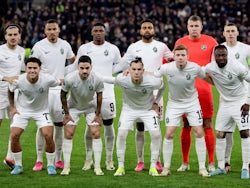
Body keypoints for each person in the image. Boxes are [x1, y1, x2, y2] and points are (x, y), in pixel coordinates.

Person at [68, 22, 122, 171]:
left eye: (101, 31)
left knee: (109, 123)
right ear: (92, 33)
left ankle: (109, 160)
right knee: (91, 125)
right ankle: (88, 159)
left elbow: (118, 66)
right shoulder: (85, 48)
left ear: (105, 33)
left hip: (108, 92)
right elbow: (75, 67)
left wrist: (109, 75)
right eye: (96, 31)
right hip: (88, 92)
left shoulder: (113, 49)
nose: (98, 33)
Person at [121, 18, 173, 171]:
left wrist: (161, 72)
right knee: (140, 127)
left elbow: (173, 59)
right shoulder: (133, 47)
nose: (147, 30)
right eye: (144, 27)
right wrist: (125, 70)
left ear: (154, 30)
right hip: (138, 92)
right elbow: (125, 63)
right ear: (140, 30)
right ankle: (140, 160)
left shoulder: (161, 46)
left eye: (150, 27)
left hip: (156, 93)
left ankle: (156, 160)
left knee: (155, 129)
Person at [102, 57, 165, 176]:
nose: (136, 72)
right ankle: (120, 167)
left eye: (139, 69)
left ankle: (153, 166)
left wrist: (156, 102)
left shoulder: (152, 81)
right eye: (134, 69)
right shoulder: (122, 79)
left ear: (143, 70)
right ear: (129, 70)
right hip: (129, 110)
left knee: (156, 134)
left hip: (147, 109)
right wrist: (91, 74)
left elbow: (162, 86)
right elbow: (108, 79)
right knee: (121, 134)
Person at [155, 45, 210, 177]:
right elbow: (153, 75)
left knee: (198, 132)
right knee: (169, 134)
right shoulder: (167, 68)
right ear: (173, 56)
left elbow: (207, 77)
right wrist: (132, 72)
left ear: (187, 56)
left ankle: (202, 168)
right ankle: (166, 168)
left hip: (192, 103)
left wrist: (222, 85)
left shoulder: (195, 67)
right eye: (178, 55)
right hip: (174, 104)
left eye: (183, 55)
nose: (180, 57)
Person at [30, 19, 75, 171]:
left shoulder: (65, 45)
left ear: (58, 30)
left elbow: (73, 62)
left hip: (60, 91)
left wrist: (65, 74)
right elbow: (33, 65)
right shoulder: (39, 46)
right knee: (43, 126)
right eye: (49, 30)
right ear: (45, 31)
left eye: (54, 29)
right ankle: (39, 160)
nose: (52, 32)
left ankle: (59, 158)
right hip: (44, 90)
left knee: (59, 125)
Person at [175, 15, 218, 172]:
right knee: (186, 125)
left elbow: (217, 63)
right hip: (186, 91)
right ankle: (185, 163)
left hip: (205, 90)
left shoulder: (211, 42)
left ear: (201, 26)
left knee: (207, 124)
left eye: (196, 25)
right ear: (187, 26)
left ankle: (211, 162)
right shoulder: (180, 43)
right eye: (191, 25)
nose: (194, 28)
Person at [8, 57, 60, 175]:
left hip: (42, 111)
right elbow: (10, 90)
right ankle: (18, 165)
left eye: (35, 68)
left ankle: (51, 165)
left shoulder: (47, 79)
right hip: (22, 111)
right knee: (14, 135)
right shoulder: (19, 80)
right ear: (25, 69)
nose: (32, 70)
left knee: (48, 135)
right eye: (29, 68)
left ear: (40, 69)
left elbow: (59, 82)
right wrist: (13, 108)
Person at [205, 45, 250, 179]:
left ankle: (245, 167)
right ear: (215, 57)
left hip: (241, 102)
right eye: (219, 55)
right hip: (225, 103)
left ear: (227, 55)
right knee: (220, 133)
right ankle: (221, 167)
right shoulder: (210, 67)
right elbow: (200, 72)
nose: (222, 58)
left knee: (245, 132)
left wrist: (248, 101)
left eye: (224, 55)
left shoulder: (237, 67)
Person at [60, 55, 104, 176]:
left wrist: (98, 114)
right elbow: (63, 95)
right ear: (78, 67)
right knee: (69, 134)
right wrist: (67, 113)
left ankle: (97, 166)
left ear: (91, 67)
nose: (84, 71)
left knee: (96, 133)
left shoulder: (97, 79)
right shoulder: (69, 78)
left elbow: (100, 96)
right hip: (73, 107)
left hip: (90, 108)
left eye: (87, 68)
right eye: (82, 68)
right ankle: (66, 167)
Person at [221, 23, 250, 172]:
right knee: (226, 131)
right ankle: (226, 162)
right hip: (225, 97)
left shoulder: (246, 49)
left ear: (237, 32)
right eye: (228, 31)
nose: (230, 33)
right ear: (223, 33)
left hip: (244, 96)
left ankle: (248, 163)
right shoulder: (219, 49)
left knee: (245, 130)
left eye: (233, 31)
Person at [0, 24, 25, 170]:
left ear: (20, 36)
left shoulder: (21, 51)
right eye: (10, 35)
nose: (13, 37)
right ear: (5, 36)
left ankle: (9, 158)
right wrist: (5, 78)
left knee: (15, 126)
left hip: (14, 93)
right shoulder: (0, 51)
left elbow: (21, 69)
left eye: (15, 34)